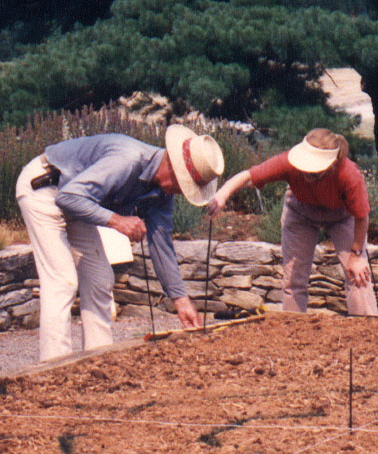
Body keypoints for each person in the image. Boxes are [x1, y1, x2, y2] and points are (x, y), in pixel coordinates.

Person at [16, 125, 225, 361]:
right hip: (44, 189)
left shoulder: (162, 192)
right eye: (183, 184)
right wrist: (117, 221)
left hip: (78, 200)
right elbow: (68, 197)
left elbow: (161, 243)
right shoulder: (127, 160)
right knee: (62, 281)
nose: (180, 192)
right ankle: (53, 370)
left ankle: (99, 363)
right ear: (173, 166)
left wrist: (180, 299)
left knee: (100, 279)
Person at [206, 128, 378, 316]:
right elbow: (250, 176)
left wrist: (356, 254)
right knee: (293, 279)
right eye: (303, 169)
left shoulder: (348, 173)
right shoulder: (288, 162)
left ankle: (366, 330)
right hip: (300, 213)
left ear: (331, 167)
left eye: (313, 174)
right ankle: (293, 332)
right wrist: (223, 194)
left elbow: (361, 215)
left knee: (358, 273)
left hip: (342, 216)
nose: (305, 176)